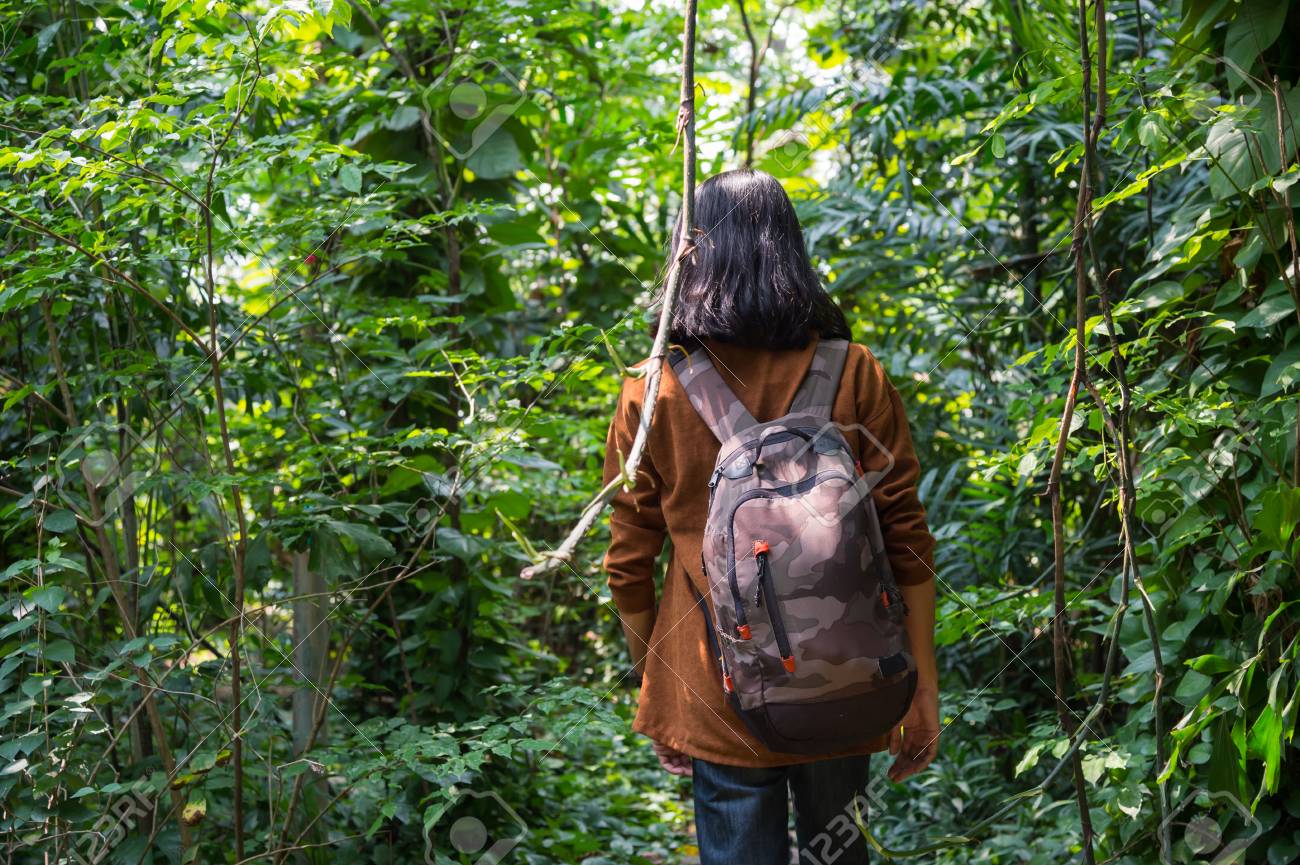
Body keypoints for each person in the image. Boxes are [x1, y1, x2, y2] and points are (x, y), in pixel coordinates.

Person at [602, 168, 939, 865]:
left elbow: (628, 565)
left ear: (689, 253)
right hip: (846, 680)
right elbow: (907, 539)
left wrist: (657, 683)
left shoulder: (652, 390)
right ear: (790, 250)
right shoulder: (856, 371)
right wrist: (923, 684)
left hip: (713, 694)